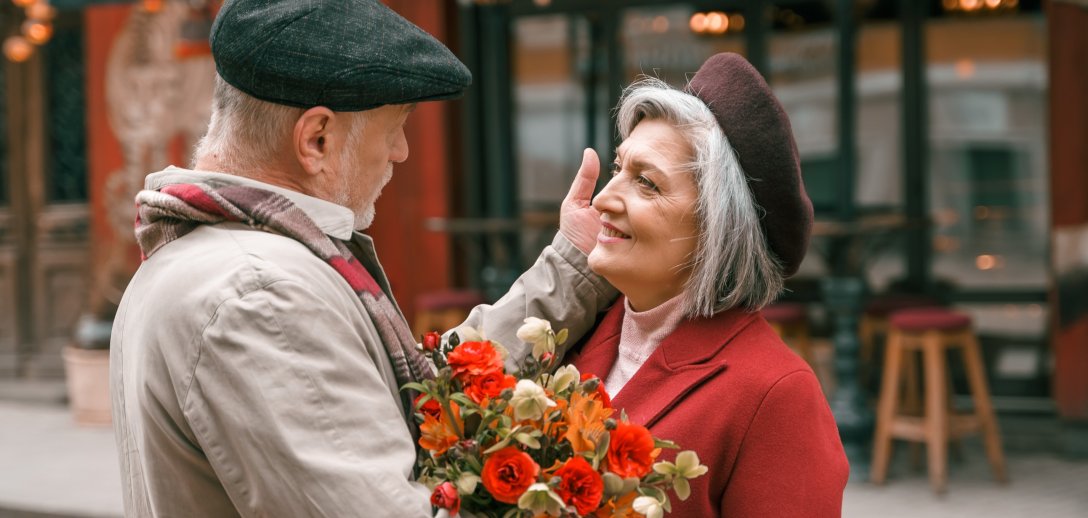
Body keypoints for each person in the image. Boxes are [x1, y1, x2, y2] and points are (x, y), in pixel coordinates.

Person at [109, 1, 615, 517]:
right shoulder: (258, 291)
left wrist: (574, 262)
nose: (401, 152)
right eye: (394, 127)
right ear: (316, 139)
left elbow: (427, 389)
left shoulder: (217, 260)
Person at [566, 53, 849, 516]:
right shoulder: (577, 331)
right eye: (619, 168)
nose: (603, 198)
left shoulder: (777, 392)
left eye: (646, 183)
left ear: (717, 227)